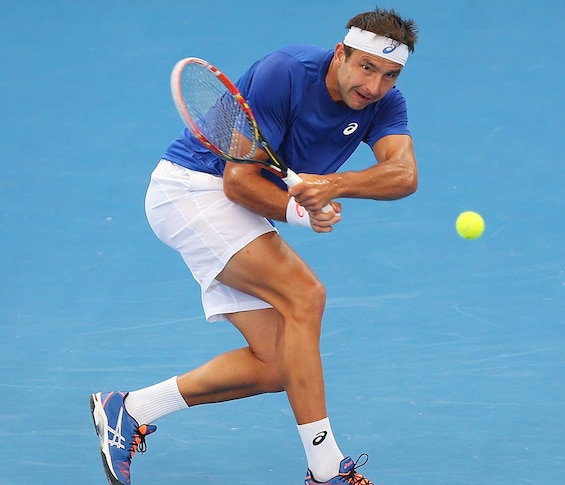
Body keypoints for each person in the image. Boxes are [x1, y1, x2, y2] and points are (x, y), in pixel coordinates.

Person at [89, 8, 418, 485]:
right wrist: (303, 209)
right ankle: (327, 470)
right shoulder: (284, 72)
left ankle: (129, 409)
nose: (375, 86)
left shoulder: (385, 103)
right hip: (192, 191)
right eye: (366, 67)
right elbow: (238, 181)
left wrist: (332, 186)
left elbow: (403, 175)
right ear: (341, 54)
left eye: (390, 75)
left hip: (237, 204)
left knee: (276, 364)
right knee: (305, 295)